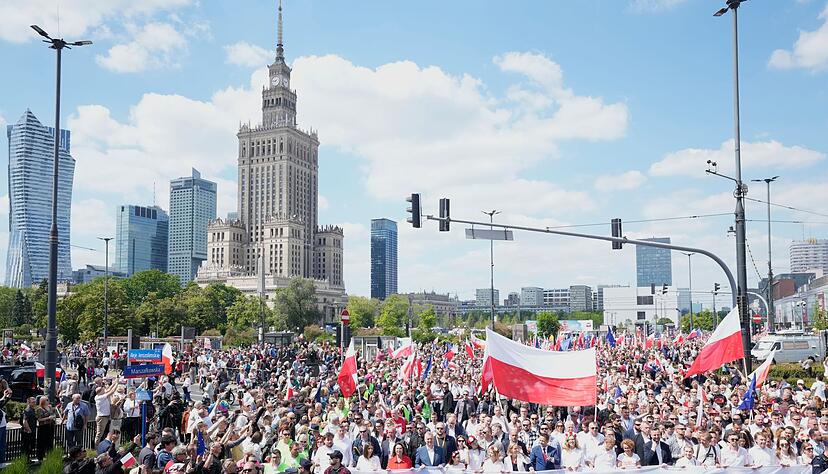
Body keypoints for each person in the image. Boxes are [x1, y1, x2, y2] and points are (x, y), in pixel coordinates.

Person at [21, 396, 37, 461]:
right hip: (27, 432)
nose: (34, 403)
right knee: (26, 447)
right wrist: (29, 430)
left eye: (35, 402)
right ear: (29, 402)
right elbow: (24, 421)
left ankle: (28, 459)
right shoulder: (27, 410)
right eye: (33, 402)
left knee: (30, 446)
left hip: (32, 431)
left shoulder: (32, 409)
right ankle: (25, 460)